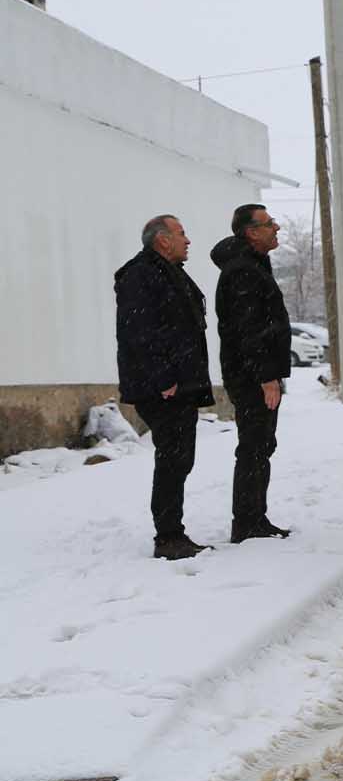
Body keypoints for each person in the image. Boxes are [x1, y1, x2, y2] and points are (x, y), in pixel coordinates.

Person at [114, 215, 215, 560]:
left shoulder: (168, 272)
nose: (188, 240)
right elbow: (138, 331)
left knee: (180, 457)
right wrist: (163, 378)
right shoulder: (140, 275)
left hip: (178, 383)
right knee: (173, 457)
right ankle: (168, 537)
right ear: (162, 240)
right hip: (161, 387)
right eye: (182, 234)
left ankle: (173, 532)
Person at [211, 204, 293, 543]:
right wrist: (266, 377)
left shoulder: (255, 264)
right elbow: (250, 328)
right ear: (251, 232)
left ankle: (254, 517)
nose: (276, 228)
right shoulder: (243, 270)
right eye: (269, 224)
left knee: (260, 445)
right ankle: (247, 522)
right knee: (254, 446)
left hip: (253, 373)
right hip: (250, 376)